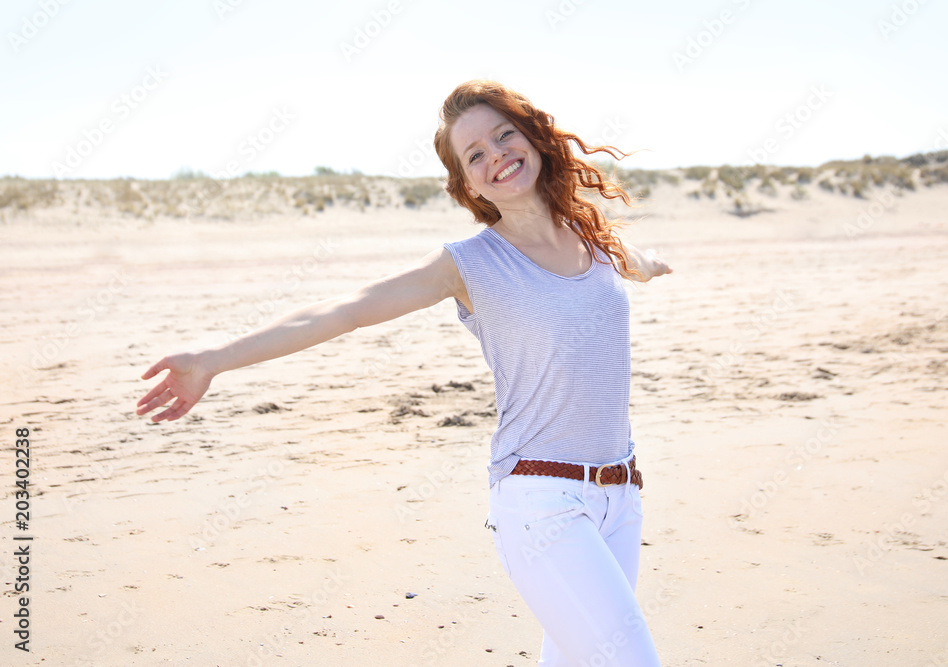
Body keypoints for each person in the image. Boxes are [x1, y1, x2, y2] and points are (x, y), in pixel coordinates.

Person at [137, 79, 671, 666]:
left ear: (534, 137)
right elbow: (344, 310)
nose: (496, 155)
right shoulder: (468, 264)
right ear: (466, 184)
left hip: (621, 496)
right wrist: (213, 358)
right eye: (475, 155)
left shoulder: (593, 239)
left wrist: (649, 265)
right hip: (543, 503)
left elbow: (631, 262)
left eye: (504, 135)